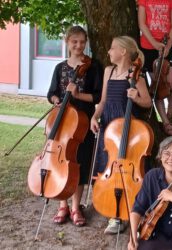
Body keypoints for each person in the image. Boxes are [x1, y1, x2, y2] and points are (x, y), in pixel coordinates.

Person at [90, 35, 152, 234]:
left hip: (126, 126)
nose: (108, 52)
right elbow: (103, 100)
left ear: (123, 51)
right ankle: (113, 214)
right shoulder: (109, 71)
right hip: (109, 126)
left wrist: (137, 97)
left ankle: (125, 213)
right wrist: (94, 117)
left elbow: (147, 103)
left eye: (112, 48)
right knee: (109, 168)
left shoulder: (137, 75)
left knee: (125, 169)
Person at [47, 25, 103, 227]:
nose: (79, 45)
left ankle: (76, 207)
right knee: (61, 162)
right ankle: (62, 205)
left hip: (82, 123)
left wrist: (78, 95)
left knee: (78, 164)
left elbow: (97, 96)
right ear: (67, 42)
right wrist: (56, 100)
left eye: (82, 42)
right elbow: (51, 93)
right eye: (74, 42)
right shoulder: (60, 67)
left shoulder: (93, 66)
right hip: (62, 123)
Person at [138, 0, 172, 135]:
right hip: (149, 47)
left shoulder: (171, 1)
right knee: (157, 85)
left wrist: (168, 45)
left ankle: (171, 111)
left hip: (166, 45)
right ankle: (166, 123)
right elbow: (142, 24)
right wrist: (155, 43)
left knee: (171, 82)